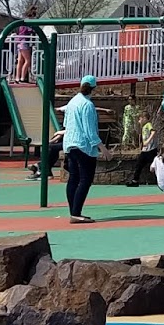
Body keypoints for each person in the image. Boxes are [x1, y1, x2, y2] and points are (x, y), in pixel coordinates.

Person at [60, 75, 102, 223]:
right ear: (94, 88)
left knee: (74, 178)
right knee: (85, 179)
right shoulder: (87, 105)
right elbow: (90, 131)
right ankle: (76, 212)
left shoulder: (72, 102)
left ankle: (74, 212)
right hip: (83, 146)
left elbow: (66, 124)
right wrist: (102, 148)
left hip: (70, 144)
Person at [127, 114, 160, 186]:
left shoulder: (148, 124)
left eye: (140, 119)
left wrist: (148, 141)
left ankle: (160, 180)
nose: (139, 121)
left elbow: (153, 132)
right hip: (145, 150)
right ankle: (135, 180)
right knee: (139, 164)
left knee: (156, 165)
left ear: (144, 118)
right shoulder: (143, 127)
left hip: (151, 150)